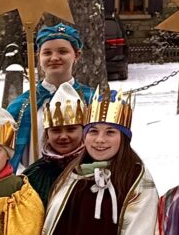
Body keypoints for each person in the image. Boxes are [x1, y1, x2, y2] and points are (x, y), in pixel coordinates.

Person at [41, 88, 158, 234]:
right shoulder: (72, 174)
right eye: (93, 131)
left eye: (110, 132)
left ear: (123, 138)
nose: (100, 140)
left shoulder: (135, 178)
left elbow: (141, 228)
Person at [5, 23, 94, 169]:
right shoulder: (21, 106)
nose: (54, 57)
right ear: (38, 57)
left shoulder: (91, 101)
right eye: (47, 53)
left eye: (62, 51)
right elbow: (10, 154)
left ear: (76, 55)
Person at [22, 83, 86, 205]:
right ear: (47, 133)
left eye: (71, 129)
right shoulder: (33, 175)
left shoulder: (95, 168)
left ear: (83, 131)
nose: (63, 136)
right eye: (56, 130)